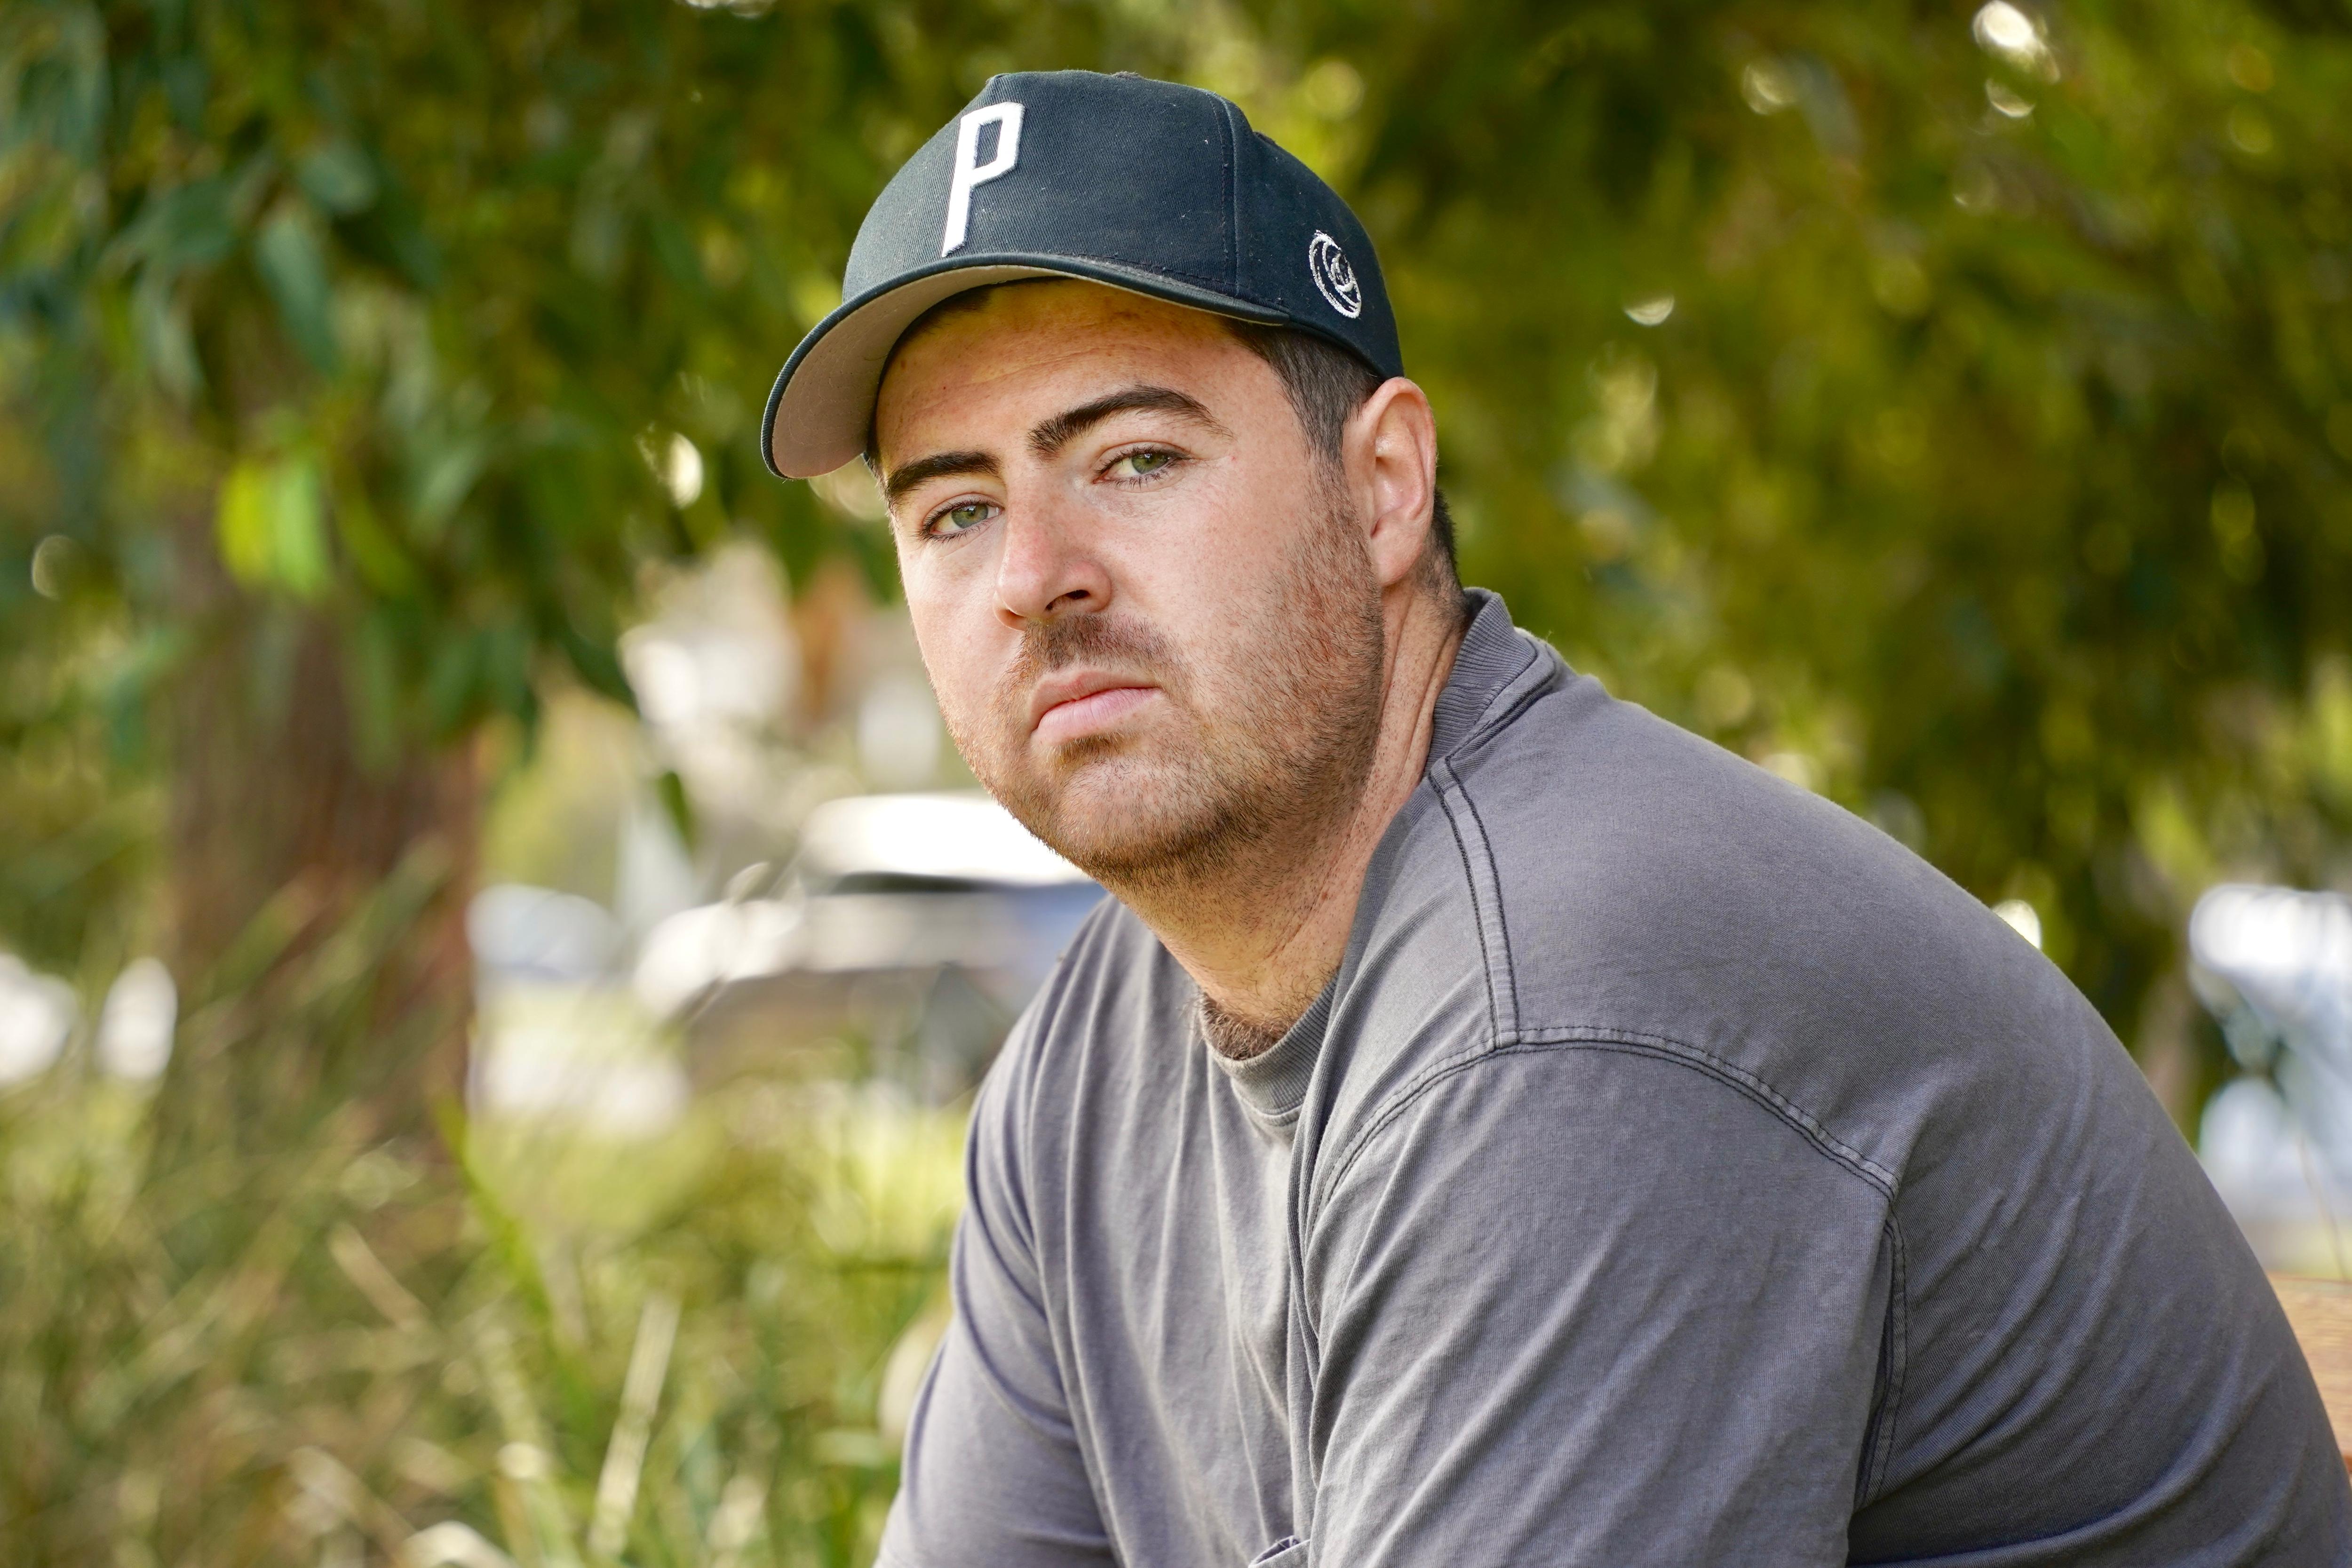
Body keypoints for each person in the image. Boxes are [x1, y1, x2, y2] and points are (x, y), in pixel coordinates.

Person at [760, 69, 2349, 1567]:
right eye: (956, 511)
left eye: (1134, 458)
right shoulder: (1087, 1066)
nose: (1035, 576)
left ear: (1385, 486)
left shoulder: (1573, 1009)